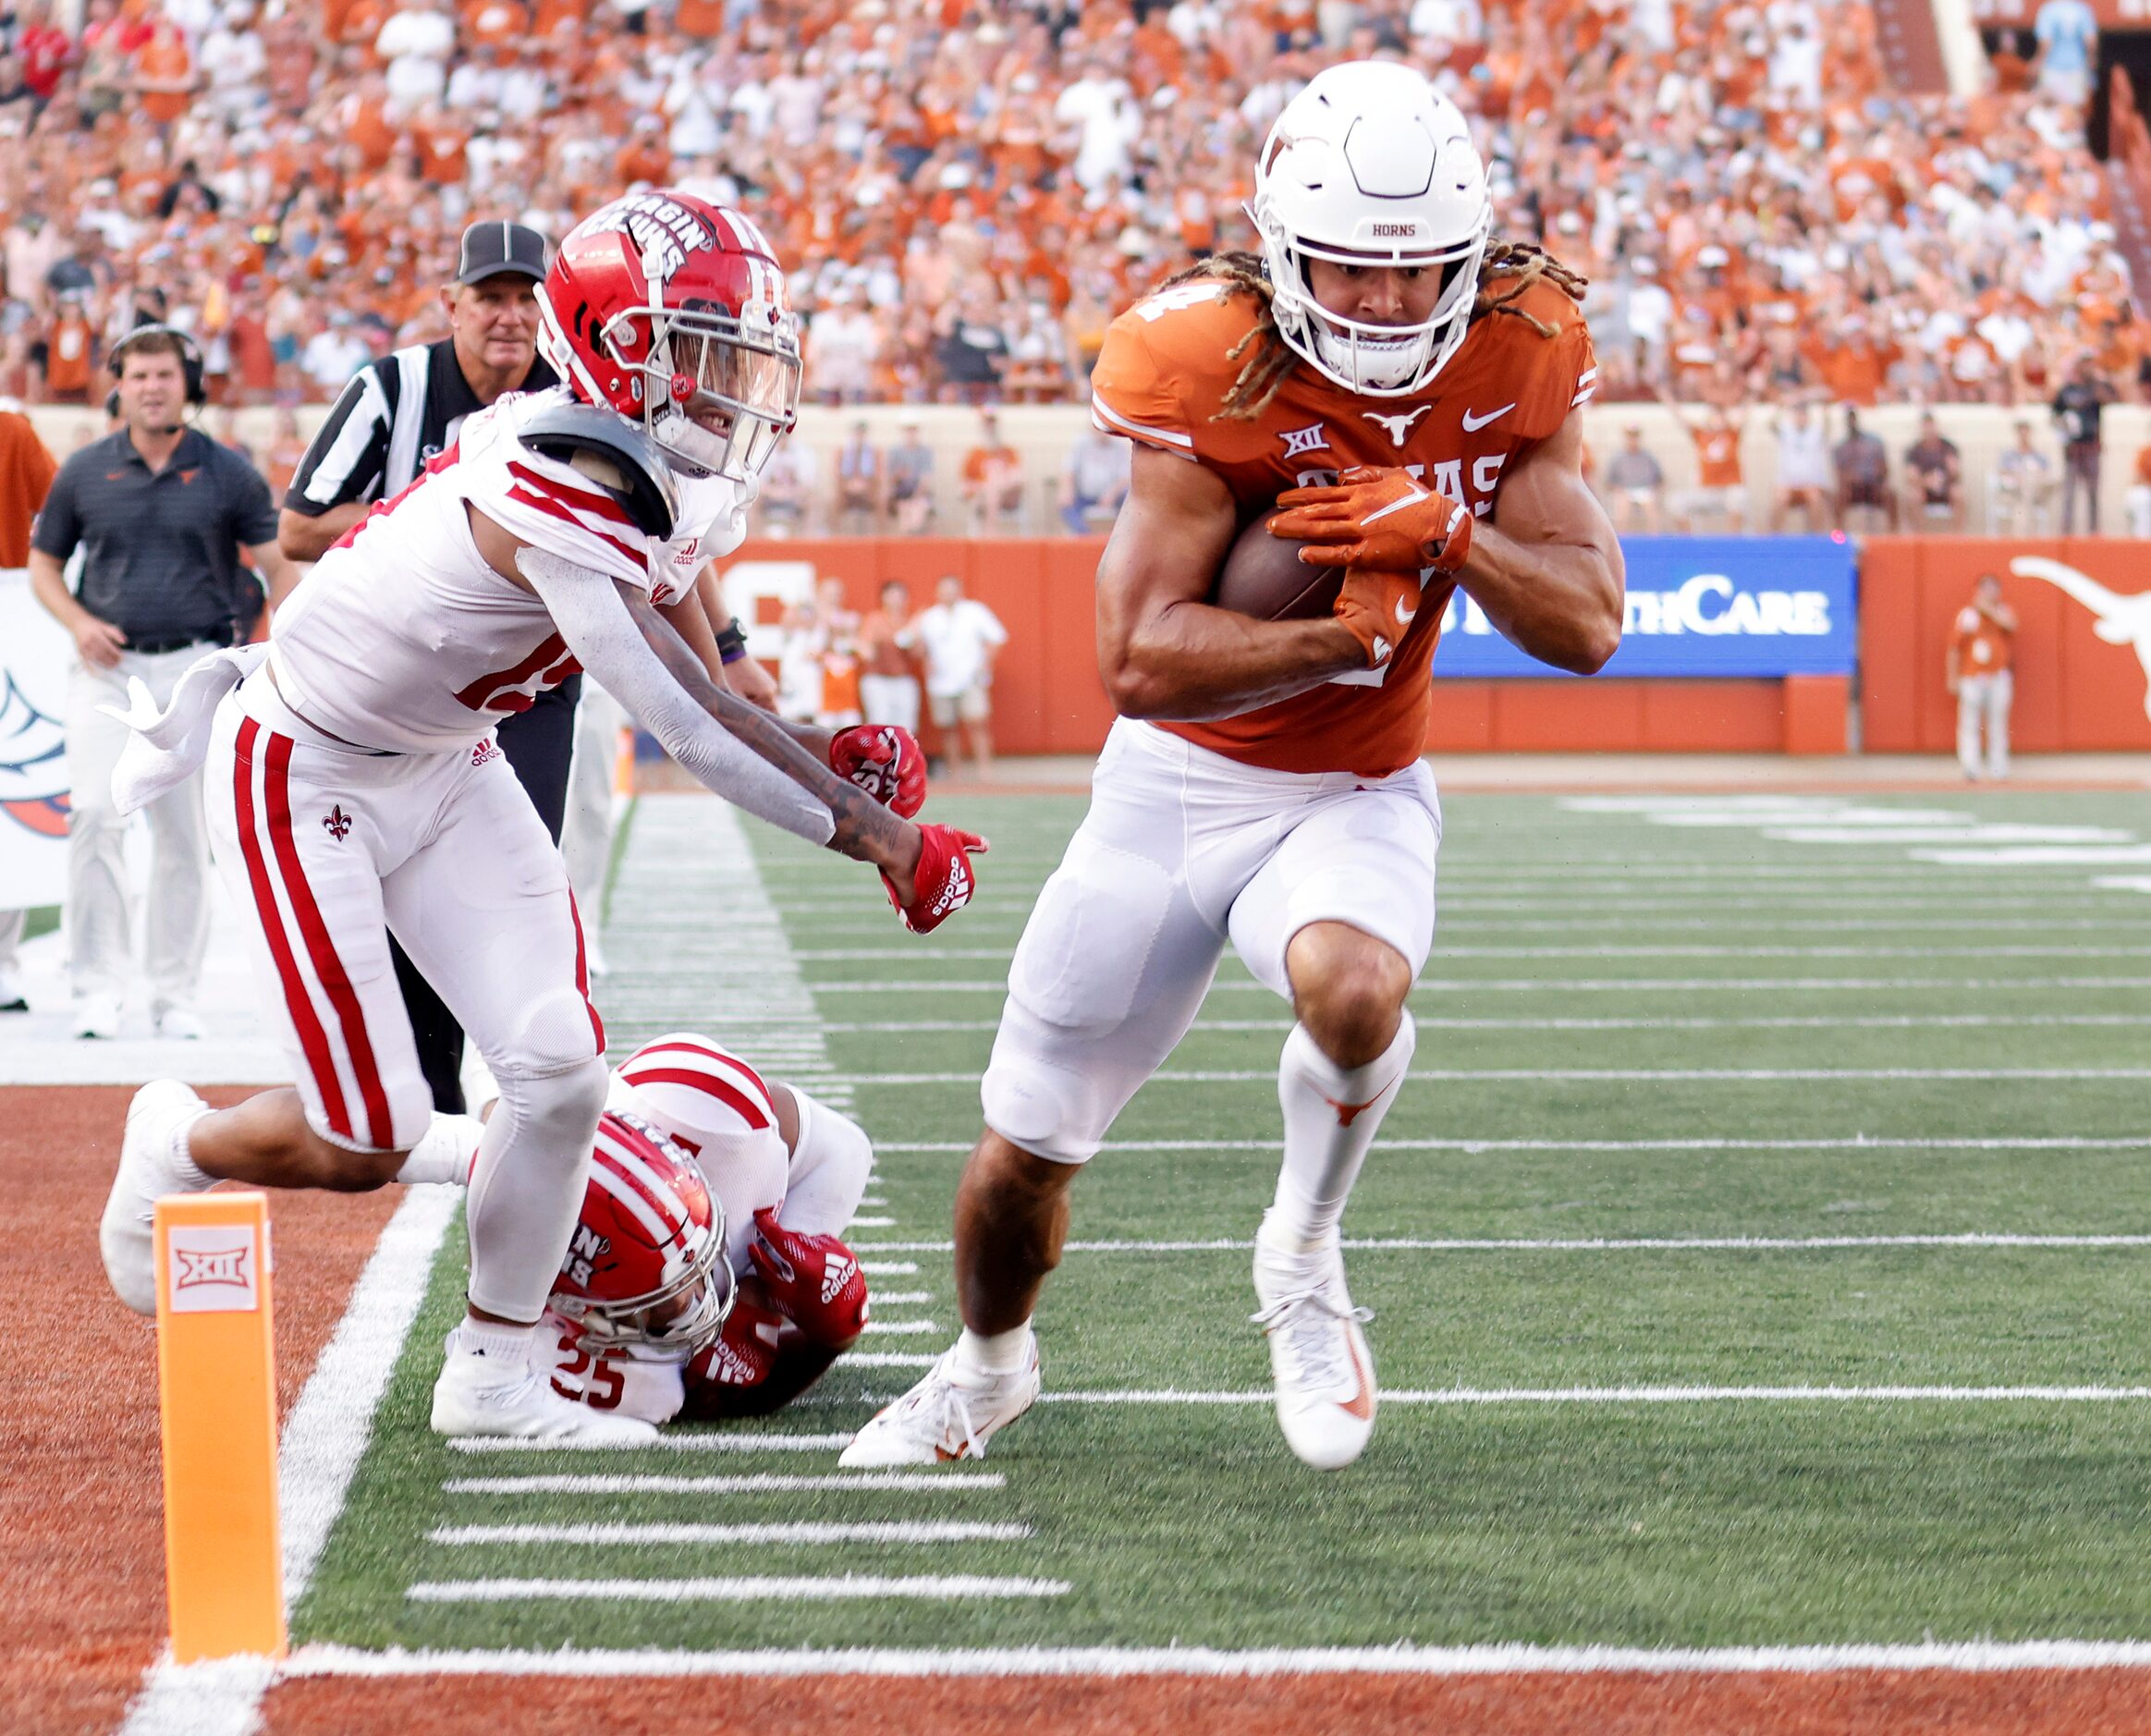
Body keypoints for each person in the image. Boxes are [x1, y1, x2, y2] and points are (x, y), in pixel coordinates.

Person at [96, 191, 980, 1446]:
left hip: (444, 763)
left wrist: (830, 749)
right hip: (307, 768)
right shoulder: (553, 482)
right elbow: (681, 724)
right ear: (621, 348)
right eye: (705, 346)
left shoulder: (644, 470)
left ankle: (494, 1375)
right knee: (366, 1131)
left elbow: (718, 686)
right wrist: (880, 838)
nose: (733, 381)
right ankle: (176, 1135)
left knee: (560, 1070)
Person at [842, 63, 1619, 1474]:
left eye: (1418, 273)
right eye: (1350, 270)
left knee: (1355, 987)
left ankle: (1302, 1253)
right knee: (1021, 1150)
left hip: (1352, 791)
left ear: (1471, 258)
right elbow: (1135, 660)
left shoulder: (1519, 346)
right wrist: (1340, 635)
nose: (1386, 303)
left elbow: (1588, 624)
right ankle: (984, 1368)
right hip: (1170, 788)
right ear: (1281, 247)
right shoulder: (1204, 357)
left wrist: (1440, 530)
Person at [30, 327, 294, 1041]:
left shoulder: (228, 471)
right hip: (105, 670)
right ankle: (96, 986)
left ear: (190, 385)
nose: (152, 387)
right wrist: (77, 622)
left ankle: (173, 992)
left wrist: (282, 642)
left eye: (165, 375)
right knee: (93, 817)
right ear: (119, 383)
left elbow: (279, 562)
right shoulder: (83, 471)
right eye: (139, 375)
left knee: (182, 836)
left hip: (194, 672)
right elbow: (44, 567)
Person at [427, 1031, 880, 1424]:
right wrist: (830, 1341)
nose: (691, 1303)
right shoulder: (547, 1176)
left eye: (701, 1253)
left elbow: (848, 1150)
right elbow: (698, 1398)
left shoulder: (754, 1200)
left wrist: (793, 1292)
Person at [0, 404, 57, 1017]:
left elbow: (63, 505)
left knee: (8, 798)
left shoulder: (12, 430)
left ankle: (3, 963)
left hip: (9, 626)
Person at [903, 572, 1008, 775]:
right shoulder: (930, 617)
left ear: (959, 591)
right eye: (944, 590)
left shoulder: (975, 611)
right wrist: (925, 657)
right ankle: (955, 771)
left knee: (977, 722)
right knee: (947, 727)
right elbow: (914, 645)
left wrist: (986, 663)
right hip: (941, 681)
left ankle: (985, 770)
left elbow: (997, 637)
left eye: (952, 590)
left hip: (970, 678)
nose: (948, 594)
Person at [1948, 573, 2016, 781]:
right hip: (1972, 676)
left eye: (1993, 589)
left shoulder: (2002, 611)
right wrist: (1951, 677)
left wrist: (1989, 611)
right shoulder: (1968, 616)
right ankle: (1970, 766)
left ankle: (1998, 767)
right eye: (1985, 589)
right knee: (1969, 722)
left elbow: (2011, 626)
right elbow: (1954, 648)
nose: (1989, 593)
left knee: (1998, 722)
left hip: (1997, 676)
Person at [2053, 353, 2115, 534]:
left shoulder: (2096, 389)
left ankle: (2093, 529)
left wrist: (2099, 383)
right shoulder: (2067, 390)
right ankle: (2066, 530)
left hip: (2091, 445)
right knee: (2070, 491)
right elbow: (2054, 415)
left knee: (2093, 490)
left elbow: (2110, 400)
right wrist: (2065, 429)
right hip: (2072, 446)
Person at [858, 580, 922, 735]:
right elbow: (867, 649)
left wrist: (912, 636)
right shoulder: (875, 620)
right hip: (878, 680)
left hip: (902, 679)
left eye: (899, 596)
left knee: (906, 727)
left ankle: (902, 758)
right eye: (891, 596)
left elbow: (918, 653)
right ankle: (881, 759)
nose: (895, 601)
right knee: (880, 724)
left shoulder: (910, 622)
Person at [1677, 403, 1745, 532]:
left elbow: (1744, 415)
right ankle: (1689, 544)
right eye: (1714, 416)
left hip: (1728, 490)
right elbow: (1681, 418)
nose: (1717, 420)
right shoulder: (1701, 435)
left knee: (1738, 498)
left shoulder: (1731, 435)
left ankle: (1734, 543)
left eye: (1720, 416)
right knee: (1677, 503)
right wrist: (1664, 393)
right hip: (1708, 491)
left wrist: (1753, 392)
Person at [959, 409, 1026, 534]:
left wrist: (1000, 483)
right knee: (990, 492)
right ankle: (991, 536)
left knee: (995, 488)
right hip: (981, 498)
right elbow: (965, 483)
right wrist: (984, 487)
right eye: (987, 423)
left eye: (992, 423)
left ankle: (991, 537)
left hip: (1008, 496)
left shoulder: (1009, 452)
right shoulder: (974, 454)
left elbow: (1019, 478)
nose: (990, 427)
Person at [1831, 405, 1896, 532]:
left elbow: (1884, 466)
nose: (1852, 423)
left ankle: (1893, 534)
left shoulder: (1874, 442)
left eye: (1853, 419)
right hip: (1853, 488)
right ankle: (1839, 535)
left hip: (1873, 485)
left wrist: (1877, 477)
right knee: (1839, 496)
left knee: (1890, 495)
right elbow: (1839, 472)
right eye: (1849, 420)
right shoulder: (1841, 447)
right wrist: (1851, 478)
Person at [1058, 422, 1131, 533]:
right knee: (1066, 502)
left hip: (1112, 498)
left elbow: (1125, 477)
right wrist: (1067, 489)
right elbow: (1069, 470)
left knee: (1128, 497)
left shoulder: (1120, 447)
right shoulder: (1081, 443)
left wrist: (1111, 494)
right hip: (1084, 496)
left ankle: (1121, 535)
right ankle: (1084, 534)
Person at [1769, 397, 1830, 532]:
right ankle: (1773, 536)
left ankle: (1816, 537)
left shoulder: (1816, 432)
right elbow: (1771, 425)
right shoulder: (1786, 431)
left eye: (1803, 414)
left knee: (1815, 498)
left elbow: (1827, 426)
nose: (1800, 418)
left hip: (1811, 484)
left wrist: (1825, 409)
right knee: (1780, 498)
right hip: (1789, 484)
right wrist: (1779, 408)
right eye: (1798, 414)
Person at [1992, 419, 2056, 533]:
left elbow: (2048, 474)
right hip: (2013, 494)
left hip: (2036, 493)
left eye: (2026, 432)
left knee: (2031, 489)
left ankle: (2022, 538)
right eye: (2021, 432)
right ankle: (2023, 540)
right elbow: (2001, 472)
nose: (2024, 436)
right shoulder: (2008, 456)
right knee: (2023, 502)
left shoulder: (2039, 456)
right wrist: (2016, 475)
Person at [1902, 412, 1963, 532]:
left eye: (1931, 426)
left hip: (1945, 487)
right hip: (1923, 489)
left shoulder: (1948, 448)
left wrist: (1944, 478)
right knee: (1913, 496)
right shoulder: (1914, 450)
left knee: (1958, 493)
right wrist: (1927, 481)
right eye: (1926, 426)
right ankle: (1920, 536)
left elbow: (1956, 473)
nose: (1929, 430)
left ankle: (1957, 536)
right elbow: (1911, 476)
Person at [1600, 422, 1664, 532]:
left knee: (1651, 506)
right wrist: (1619, 489)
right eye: (1630, 437)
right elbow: (1609, 481)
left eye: (1635, 436)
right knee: (1622, 505)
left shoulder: (1648, 457)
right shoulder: (1618, 458)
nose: (1633, 440)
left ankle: (1654, 538)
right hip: (1624, 491)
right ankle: (1622, 538)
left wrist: (1653, 489)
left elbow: (1659, 478)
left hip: (1645, 490)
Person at [833, 418, 884, 534]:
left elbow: (878, 475)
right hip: (847, 490)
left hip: (868, 490)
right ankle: (836, 539)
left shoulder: (874, 452)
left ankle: (881, 540)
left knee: (882, 501)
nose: (859, 436)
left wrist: (865, 486)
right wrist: (848, 486)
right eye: (857, 433)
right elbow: (838, 475)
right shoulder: (843, 452)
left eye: (862, 433)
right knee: (834, 502)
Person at [886, 418, 935, 534]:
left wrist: (916, 496)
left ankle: (913, 540)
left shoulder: (925, 452)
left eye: (913, 430)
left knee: (917, 511)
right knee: (904, 511)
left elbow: (925, 479)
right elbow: (890, 480)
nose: (911, 433)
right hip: (900, 494)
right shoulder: (895, 452)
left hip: (918, 494)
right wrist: (898, 475)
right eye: (908, 430)